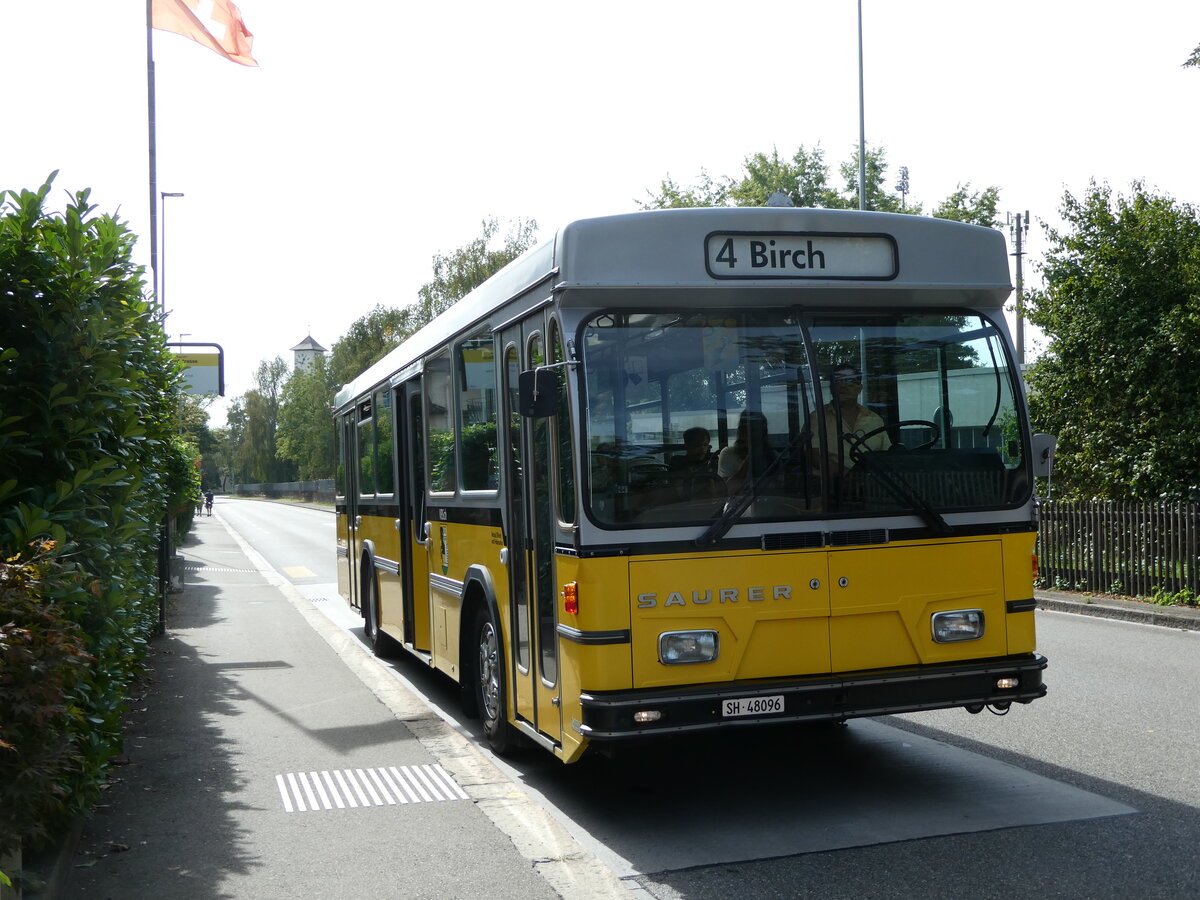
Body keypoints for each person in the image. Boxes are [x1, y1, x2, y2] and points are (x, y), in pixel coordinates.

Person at [815, 366, 890, 474]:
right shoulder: (817, 418)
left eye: (850, 381)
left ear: (859, 388)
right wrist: (849, 477)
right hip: (829, 487)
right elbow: (812, 454)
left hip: (871, 486)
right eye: (838, 380)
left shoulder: (875, 420)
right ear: (831, 387)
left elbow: (886, 456)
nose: (843, 385)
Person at [718, 411, 775, 490]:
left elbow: (778, 488)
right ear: (741, 430)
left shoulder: (772, 456)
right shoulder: (728, 453)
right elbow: (727, 489)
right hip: (738, 502)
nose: (753, 433)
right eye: (748, 428)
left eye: (757, 428)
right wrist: (748, 461)